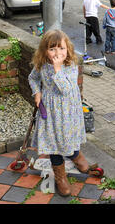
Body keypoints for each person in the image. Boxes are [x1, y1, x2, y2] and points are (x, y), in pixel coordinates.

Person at [28, 30, 89, 196]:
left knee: (68, 138)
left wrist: (57, 69)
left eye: (61, 48)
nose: (57, 53)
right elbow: (33, 78)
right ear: (44, 50)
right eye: (52, 49)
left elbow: (66, 89)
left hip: (68, 111)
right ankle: (60, 176)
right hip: (51, 110)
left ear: (68, 48)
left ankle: (76, 155)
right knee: (54, 144)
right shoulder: (41, 64)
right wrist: (37, 93)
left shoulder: (70, 65)